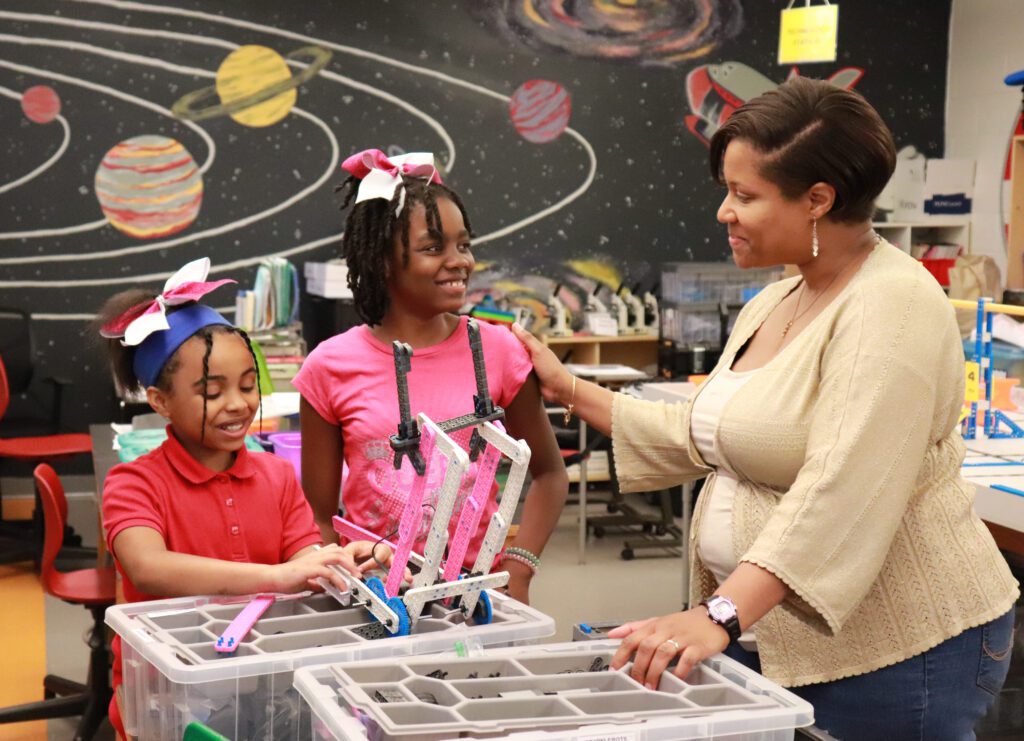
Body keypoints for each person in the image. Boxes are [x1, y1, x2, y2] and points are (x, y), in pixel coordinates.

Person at [511, 77, 1019, 740]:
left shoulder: (892, 307)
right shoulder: (776, 301)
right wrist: (565, 386)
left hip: (898, 651)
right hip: (774, 635)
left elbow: (841, 490)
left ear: (817, 199)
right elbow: (707, 431)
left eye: (744, 195)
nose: (724, 211)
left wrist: (718, 613)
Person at [97, 258, 393, 739]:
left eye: (249, 385)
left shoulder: (276, 475)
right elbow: (147, 567)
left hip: (264, 692)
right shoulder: (134, 484)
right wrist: (277, 576)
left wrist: (337, 562)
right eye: (212, 391)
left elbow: (302, 556)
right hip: (168, 699)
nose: (238, 404)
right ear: (159, 401)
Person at [294, 149, 568, 604]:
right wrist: (337, 587)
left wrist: (520, 568)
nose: (459, 261)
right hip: (375, 600)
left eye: (464, 244)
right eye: (433, 247)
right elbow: (318, 517)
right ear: (382, 260)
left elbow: (549, 473)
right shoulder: (329, 367)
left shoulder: (498, 352)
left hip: (479, 597)